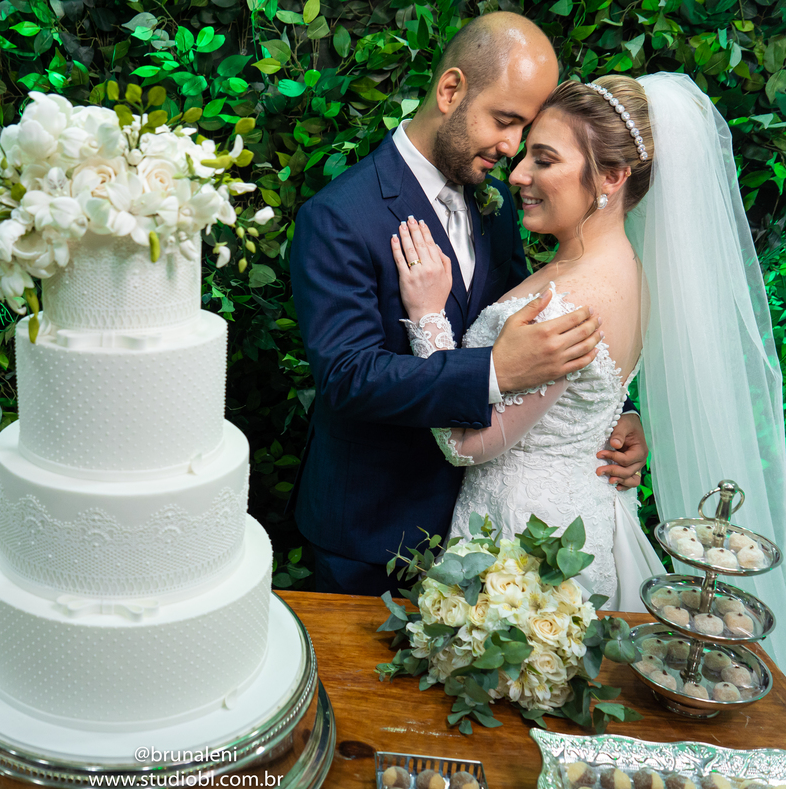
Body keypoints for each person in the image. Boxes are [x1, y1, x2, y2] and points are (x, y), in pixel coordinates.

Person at [395, 72, 786, 643]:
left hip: (527, 548)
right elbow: (590, 390)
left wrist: (429, 317)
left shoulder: (573, 301)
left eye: (544, 160)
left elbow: (462, 444)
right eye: (525, 153)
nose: (518, 174)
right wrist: (621, 417)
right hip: (579, 517)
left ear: (612, 176)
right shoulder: (628, 273)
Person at [289, 12, 648, 596]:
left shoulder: (499, 205)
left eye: (525, 131)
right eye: (504, 122)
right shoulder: (338, 217)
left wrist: (606, 412)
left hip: (488, 533)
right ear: (450, 90)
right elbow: (346, 377)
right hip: (374, 532)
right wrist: (493, 371)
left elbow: (539, 325)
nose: (512, 152)